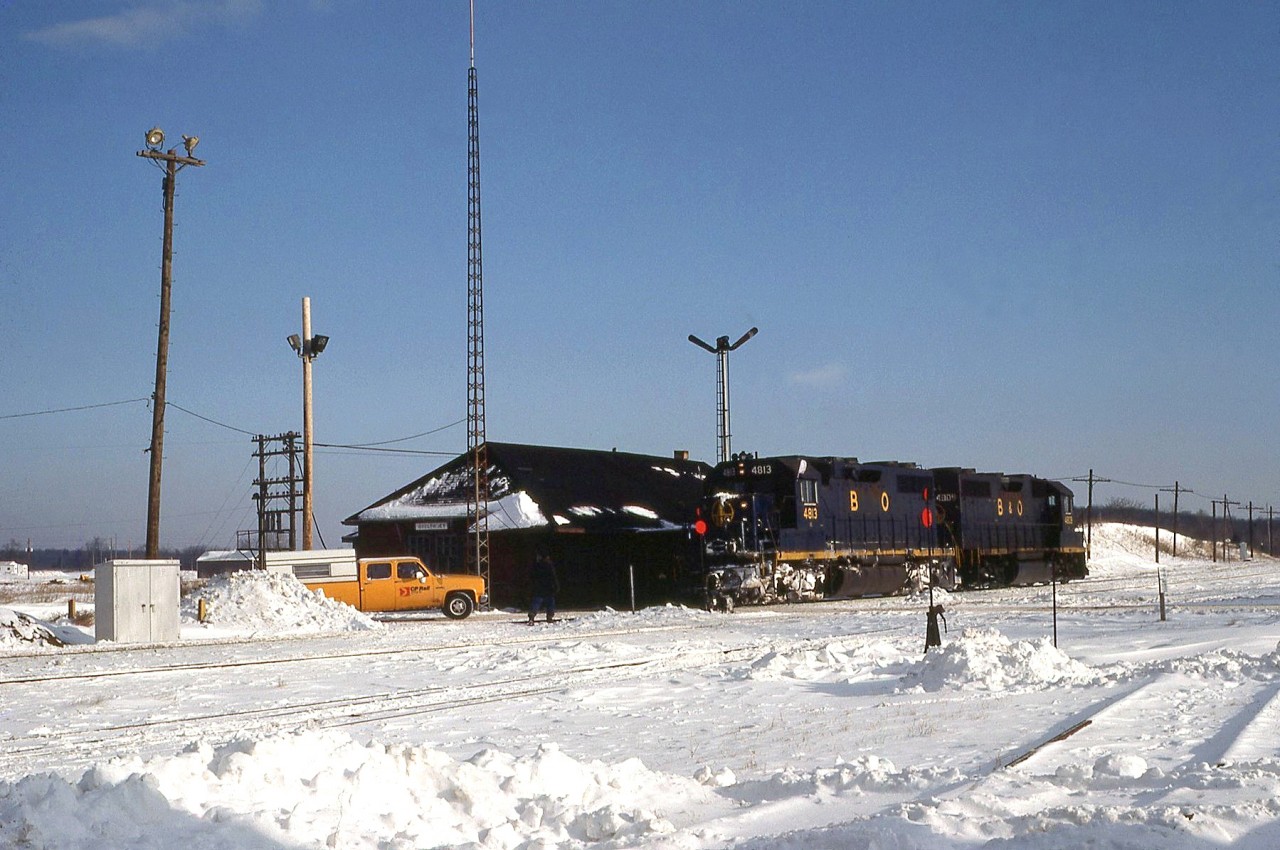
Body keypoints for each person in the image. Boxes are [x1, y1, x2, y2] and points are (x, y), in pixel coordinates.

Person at [528, 551, 559, 623]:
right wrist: (556, 586)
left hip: (538, 587)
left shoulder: (536, 565)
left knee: (536, 602)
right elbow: (553, 577)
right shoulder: (549, 565)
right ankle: (549, 617)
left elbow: (532, 577)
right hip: (548, 587)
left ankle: (531, 617)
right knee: (550, 603)